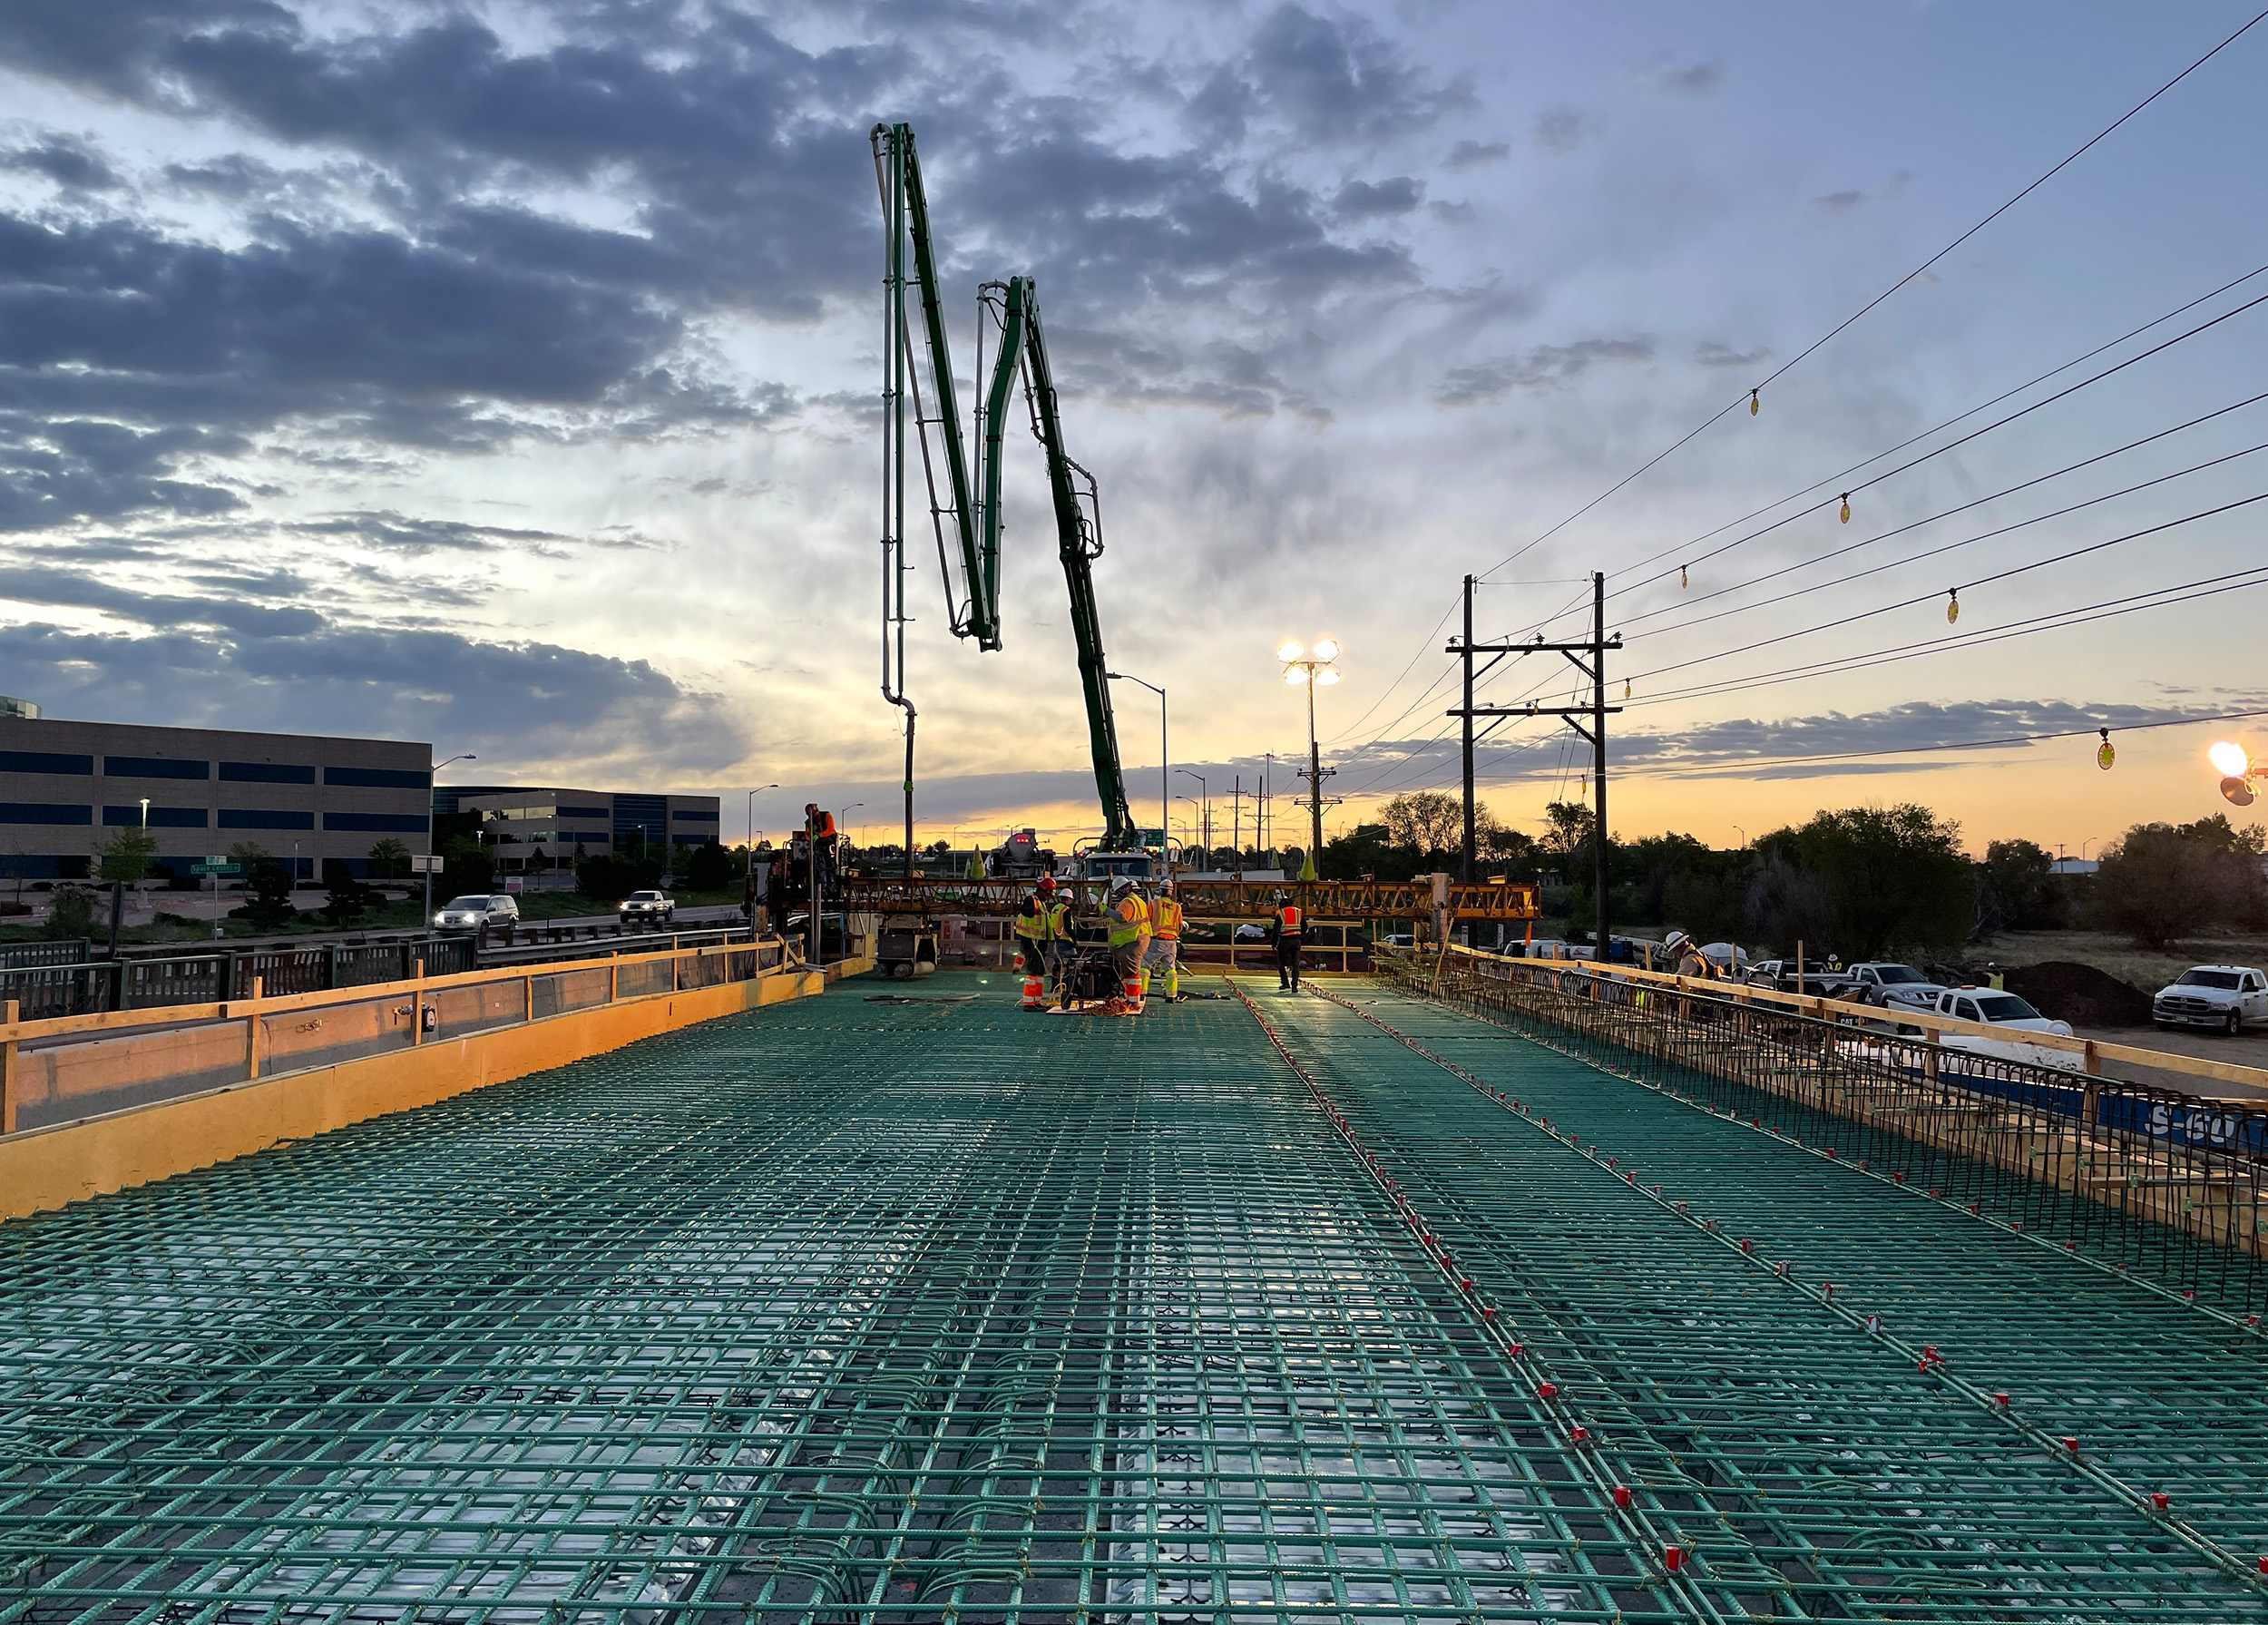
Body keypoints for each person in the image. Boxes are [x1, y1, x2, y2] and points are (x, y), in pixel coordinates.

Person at [1107, 876, 1150, 1004]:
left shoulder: (1128, 902)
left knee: (1131, 972)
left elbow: (1120, 917)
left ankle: (1132, 1001)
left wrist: (1105, 910)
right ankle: (1129, 999)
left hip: (1133, 941)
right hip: (1137, 940)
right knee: (1127, 971)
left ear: (1126, 889)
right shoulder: (1139, 901)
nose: (1117, 894)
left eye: (1117, 891)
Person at [1145, 879, 1183, 1001]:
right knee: (1170, 969)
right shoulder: (1177, 908)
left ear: (1160, 890)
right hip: (1171, 942)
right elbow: (1180, 926)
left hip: (1156, 941)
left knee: (1145, 966)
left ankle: (1141, 993)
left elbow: (1145, 921)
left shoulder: (1153, 904)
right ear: (1171, 892)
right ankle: (1172, 996)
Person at [1041, 876, 1074, 993]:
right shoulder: (1066, 910)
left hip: (1055, 940)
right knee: (1072, 965)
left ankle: (1055, 988)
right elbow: (1068, 927)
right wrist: (1075, 941)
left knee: (1057, 965)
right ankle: (1067, 987)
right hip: (1065, 941)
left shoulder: (1055, 908)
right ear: (1069, 899)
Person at [1272, 891, 1304, 992]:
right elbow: (1305, 927)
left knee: (1281, 962)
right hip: (1296, 940)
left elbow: (1276, 930)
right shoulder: (1298, 912)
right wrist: (1299, 934)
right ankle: (1294, 986)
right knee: (1295, 963)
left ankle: (1285, 983)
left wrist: (1273, 943)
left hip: (1285, 940)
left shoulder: (1281, 913)